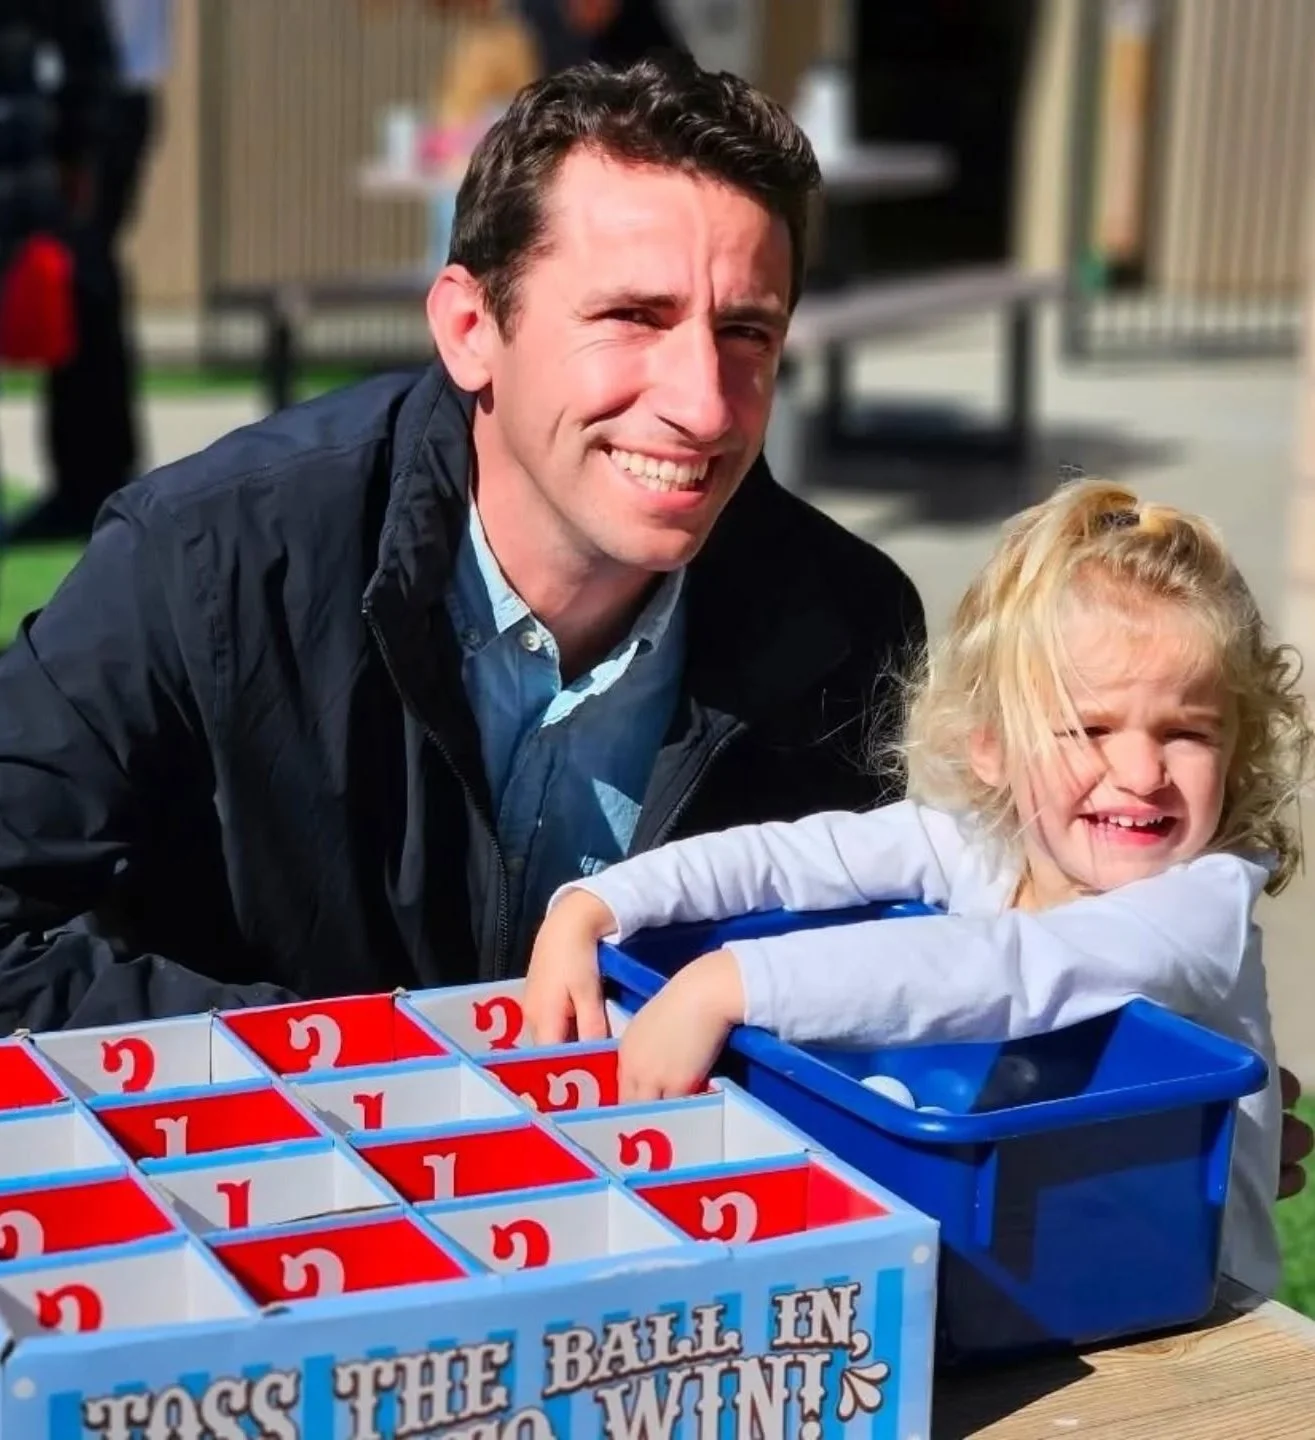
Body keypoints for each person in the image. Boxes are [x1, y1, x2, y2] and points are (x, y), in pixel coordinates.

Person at [0, 53, 1307, 1195]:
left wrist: (1142, 1064)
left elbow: (928, 943)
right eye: (631, 318)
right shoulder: (206, 562)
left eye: (746, 330)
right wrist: (380, 1078)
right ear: (469, 327)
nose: (701, 400)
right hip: (246, 1218)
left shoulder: (843, 626)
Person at [525, 478, 1313, 1295]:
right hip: (1025, 1270)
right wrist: (598, 903)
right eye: (1090, 729)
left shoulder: (1197, 905)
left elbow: (1005, 967)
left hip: (1191, 1314)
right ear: (991, 748)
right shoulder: (984, 843)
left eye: (1188, 733)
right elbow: (800, 855)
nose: (1142, 772)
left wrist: (733, 983)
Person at [8, 0, 170, 543]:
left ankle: (96, 482)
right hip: (76, 92)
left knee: (85, 288)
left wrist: (77, 144)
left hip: (98, 94)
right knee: (81, 291)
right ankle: (83, 480)